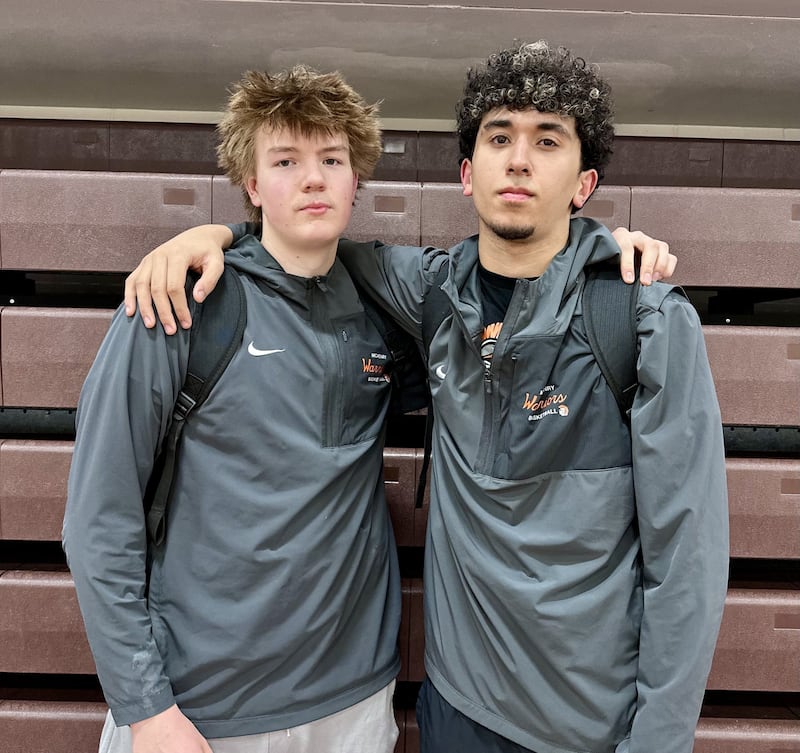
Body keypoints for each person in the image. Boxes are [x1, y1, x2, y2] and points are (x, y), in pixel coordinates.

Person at [126, 42, 727, 753]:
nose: (521, 158)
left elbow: (688, 557)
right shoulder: (431, 291)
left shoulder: (644, 319)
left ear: (584, 183)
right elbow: (309, 239)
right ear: (468, 175)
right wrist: (215, 231)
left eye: (548, 140)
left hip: (591, 725)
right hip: (456, 708)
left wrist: (658, 742)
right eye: (500, 137)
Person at [63, 65, 403, 753]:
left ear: (355, 178)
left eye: (331, 159)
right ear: (252, 184)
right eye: (286, 160)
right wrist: (146, 708)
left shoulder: (384, 313)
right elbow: (98, 521)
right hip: (200, 711)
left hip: (355, 703)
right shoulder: (178, 307)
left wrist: (607, 247)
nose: (313, 179)